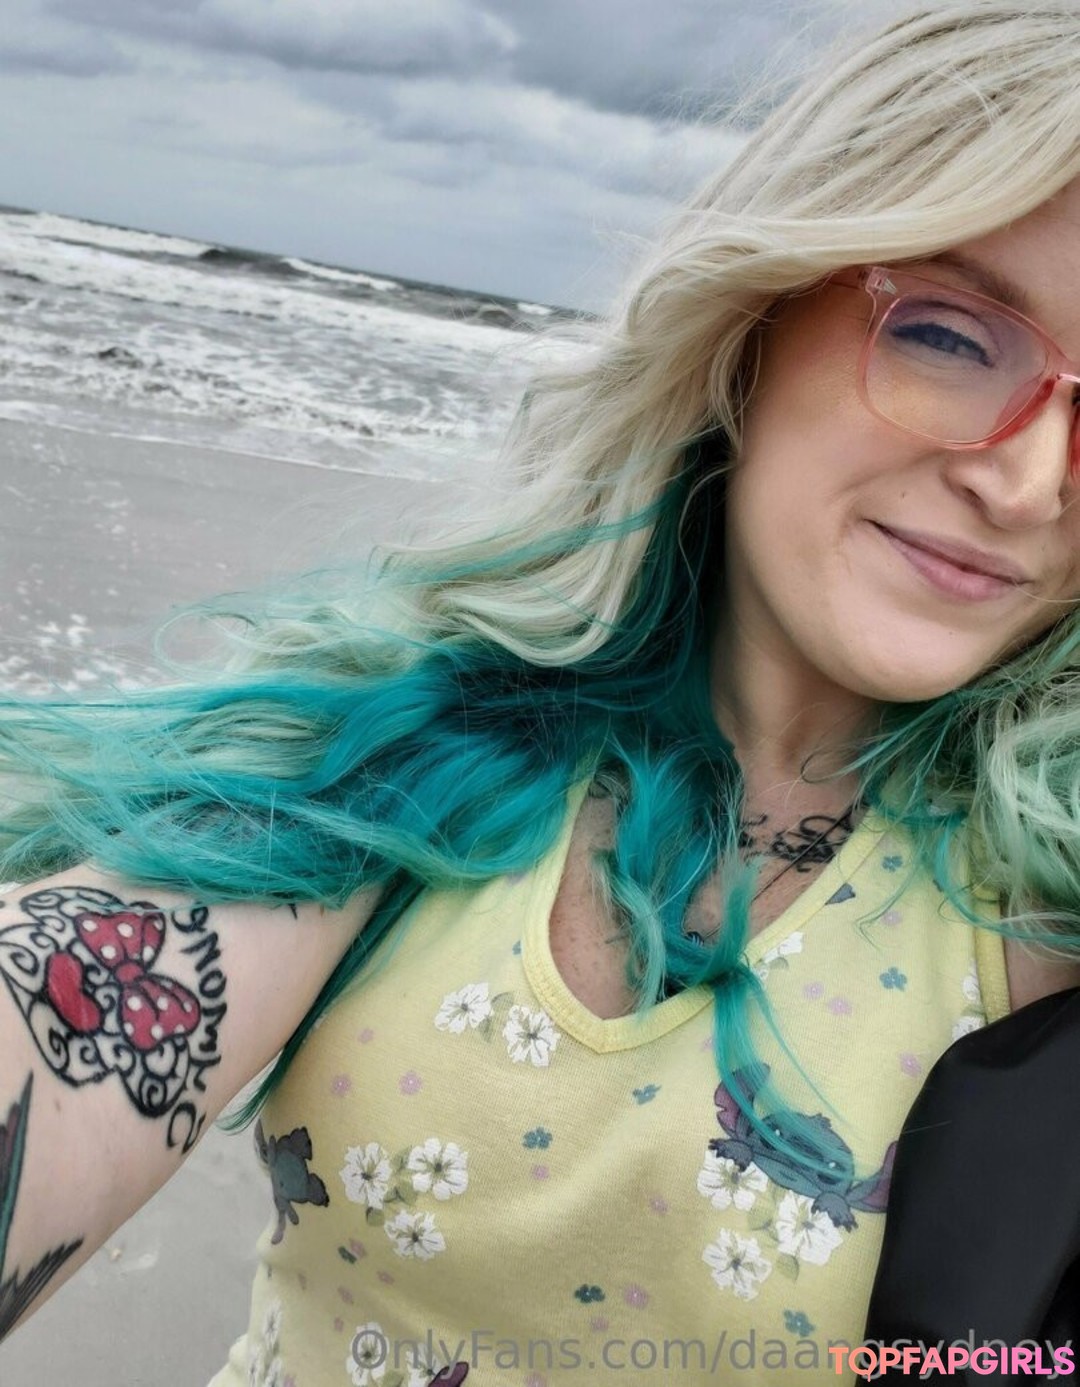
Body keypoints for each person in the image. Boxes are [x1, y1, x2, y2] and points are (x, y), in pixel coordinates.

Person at [3, 2, 1080, 1384]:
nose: (1028, 484)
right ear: (757, 310)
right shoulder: (418, 762)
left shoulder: (1039, 918)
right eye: (952, 336)